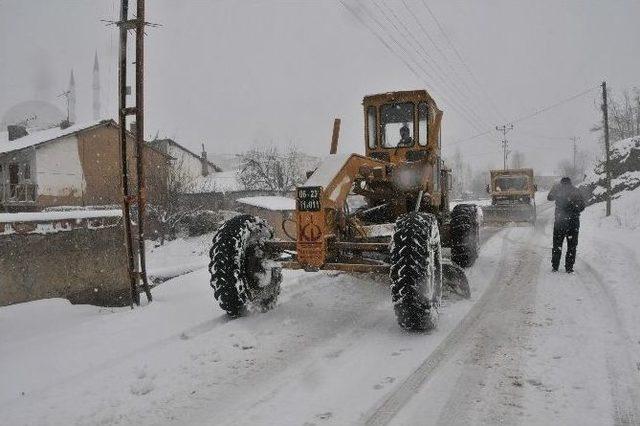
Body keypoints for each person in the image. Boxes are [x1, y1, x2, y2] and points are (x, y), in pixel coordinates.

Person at [547, 177, 586, 273]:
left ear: (561, 183)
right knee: (572, 246)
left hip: (560, 222)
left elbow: (549, 198)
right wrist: (574, 211)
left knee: (557, 245)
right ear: (570, 182)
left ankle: (555, 267)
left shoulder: (557, 189)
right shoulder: (576, 190)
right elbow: (582, 206)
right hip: (573, 223)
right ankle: (569, 267)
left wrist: (554, 189)